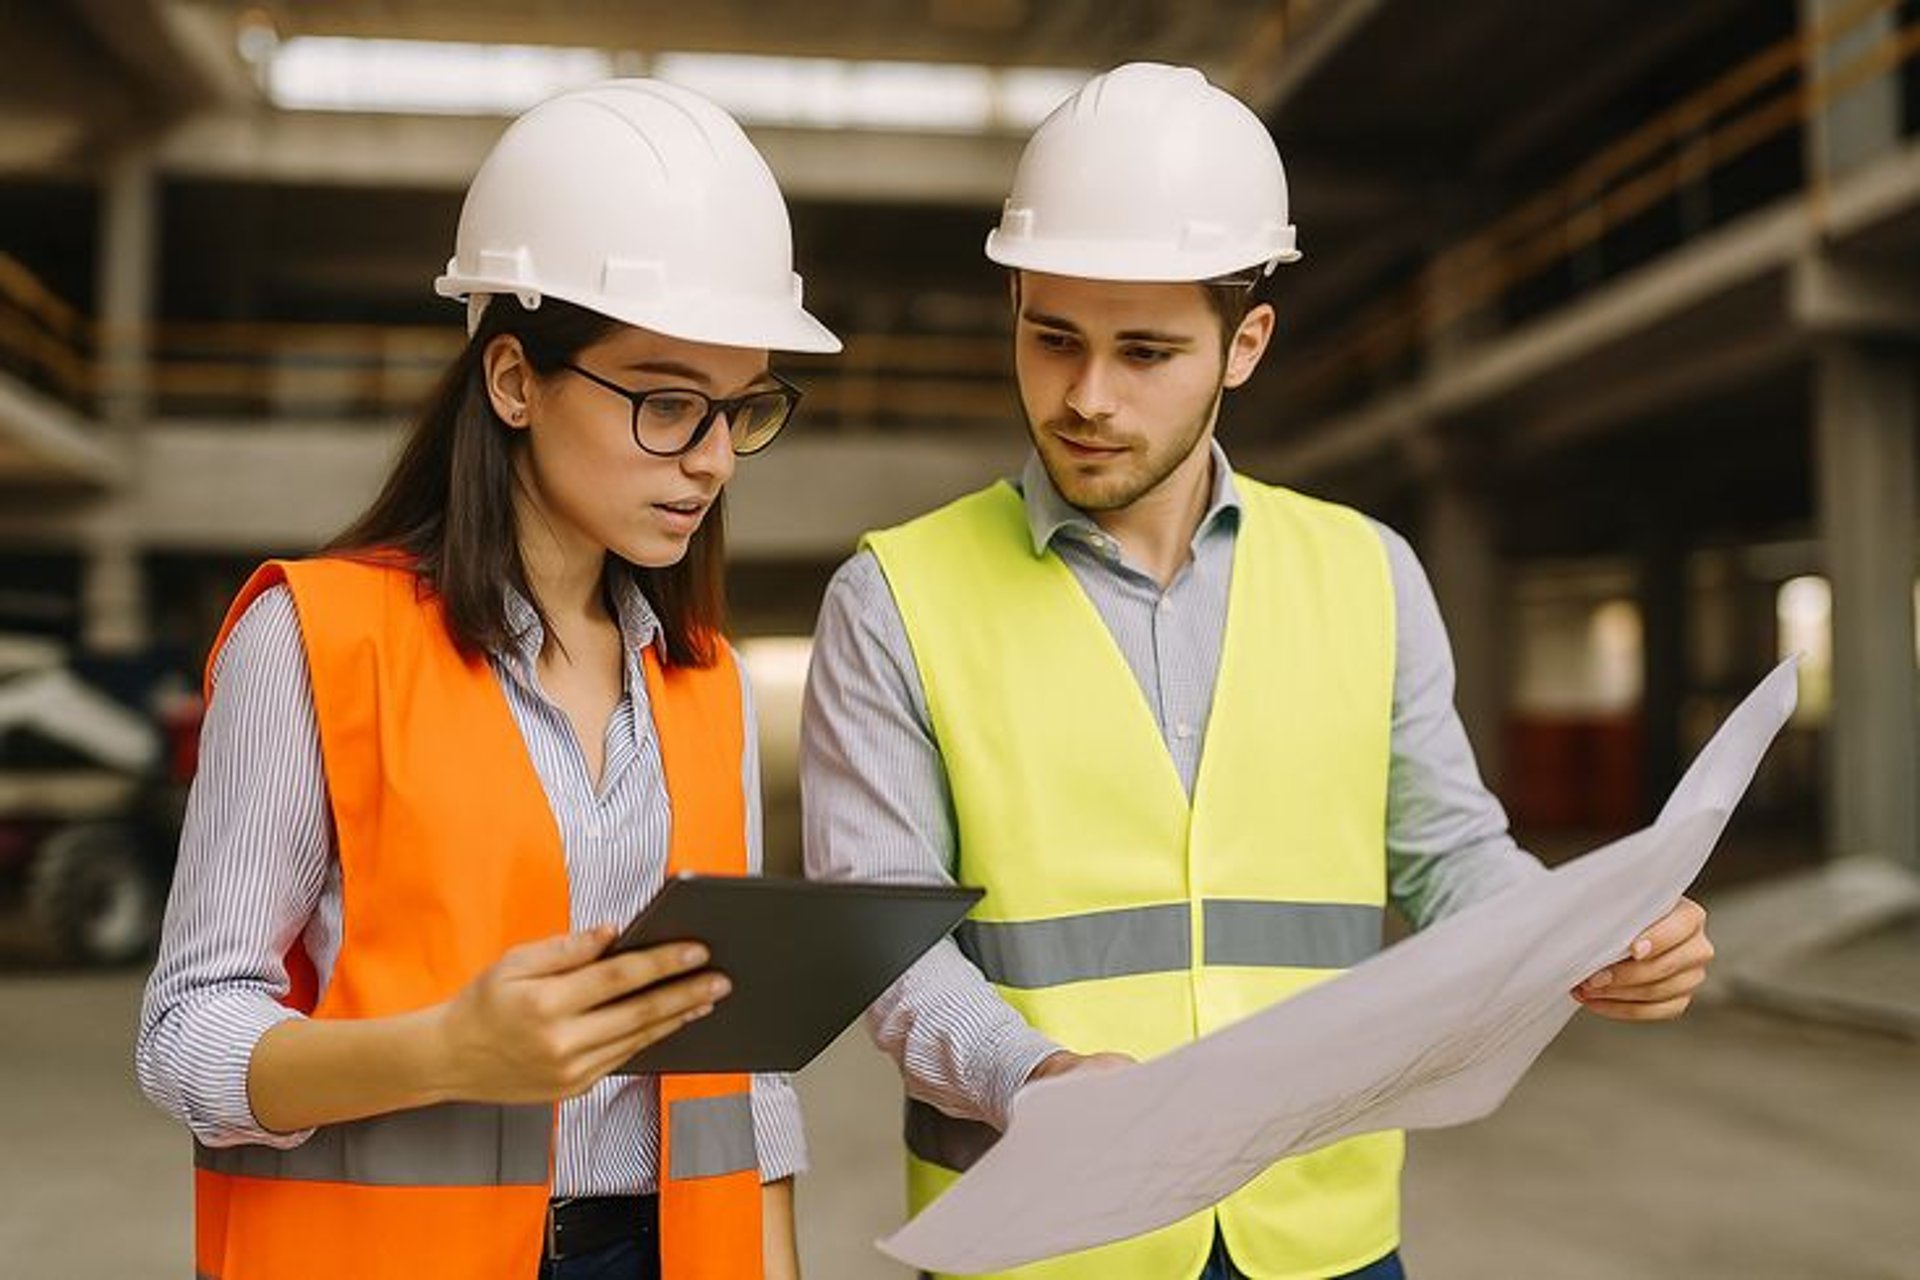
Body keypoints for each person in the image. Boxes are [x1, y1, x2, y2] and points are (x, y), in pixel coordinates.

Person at [800, 62, 1714, 1280]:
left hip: (1323, 1233)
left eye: (1146, 352)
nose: (1086, 397)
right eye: (1051, 336)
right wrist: (1039, 1078)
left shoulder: (1367, 570)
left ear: (1246, 344)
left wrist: (1588, 933)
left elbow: (1447, 856)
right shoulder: (894, 596)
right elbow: (887, 949)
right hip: (1043, 1233)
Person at [137, 78, 840, 1280]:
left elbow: (742, 1064)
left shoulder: (701, 679)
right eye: (669, 404)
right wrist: (449, 1048)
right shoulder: (318, 640)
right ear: (514, 380)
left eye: (741, 408)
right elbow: (187, 1038)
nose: (715, 458)